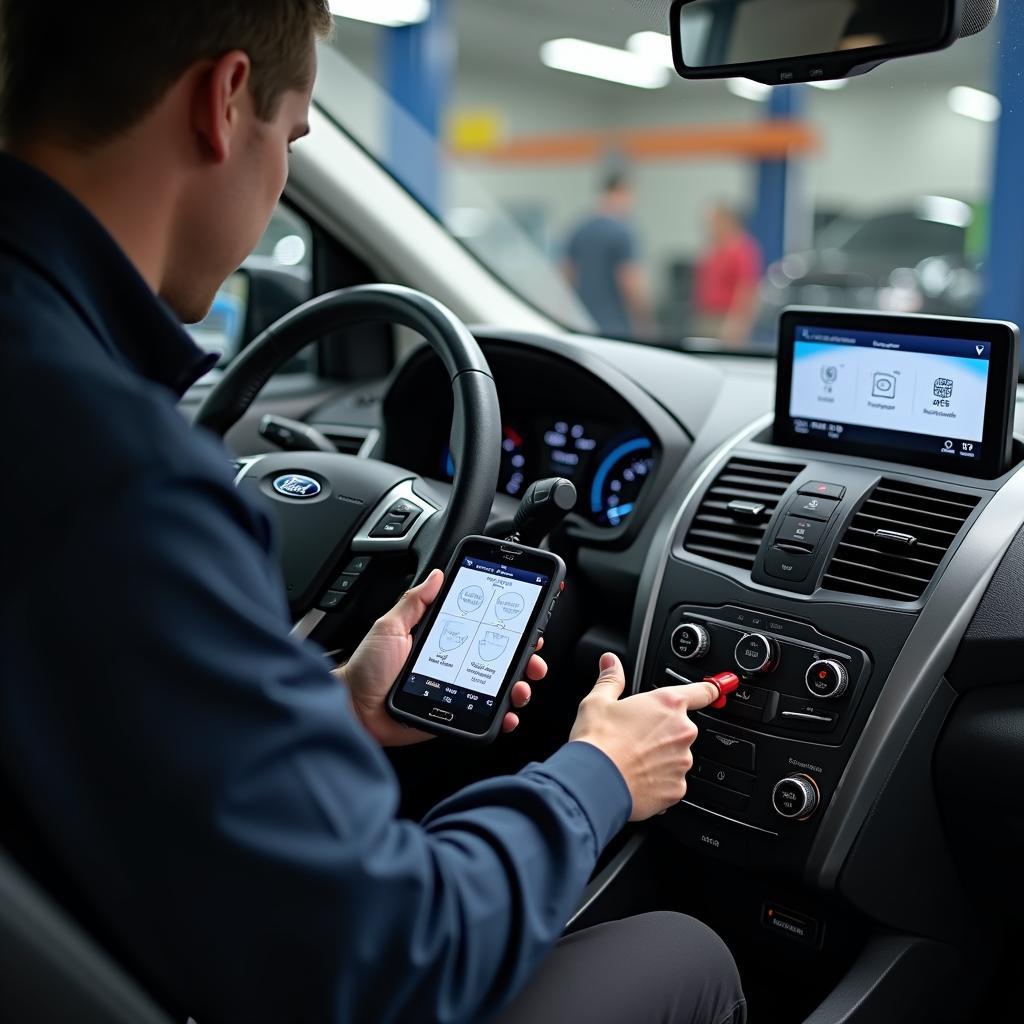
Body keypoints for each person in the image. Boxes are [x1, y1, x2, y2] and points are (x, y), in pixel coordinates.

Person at [0, 4, 746, 1023]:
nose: (276, 194)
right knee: (688, 953)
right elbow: (403, 952)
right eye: (295, 138)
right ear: (225, 104)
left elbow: (91, 732)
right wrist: (600, 771)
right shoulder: (116, 469)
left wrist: (332, 709)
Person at [564, 173, 652, 338]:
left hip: (583, 324)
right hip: (615, 327)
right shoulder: (622, 232)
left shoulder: (579, 229)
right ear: (620, 193)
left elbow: (566, 275)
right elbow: (629, 280)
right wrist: (644, 321)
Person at [693, 203, 763, 348]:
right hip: (707, 315)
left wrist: (737, 321)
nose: (709, 226)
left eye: (713, 221)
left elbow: (747, 287)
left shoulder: (743, 249)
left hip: (726, 318)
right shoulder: (713, 248)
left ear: (727, 221)